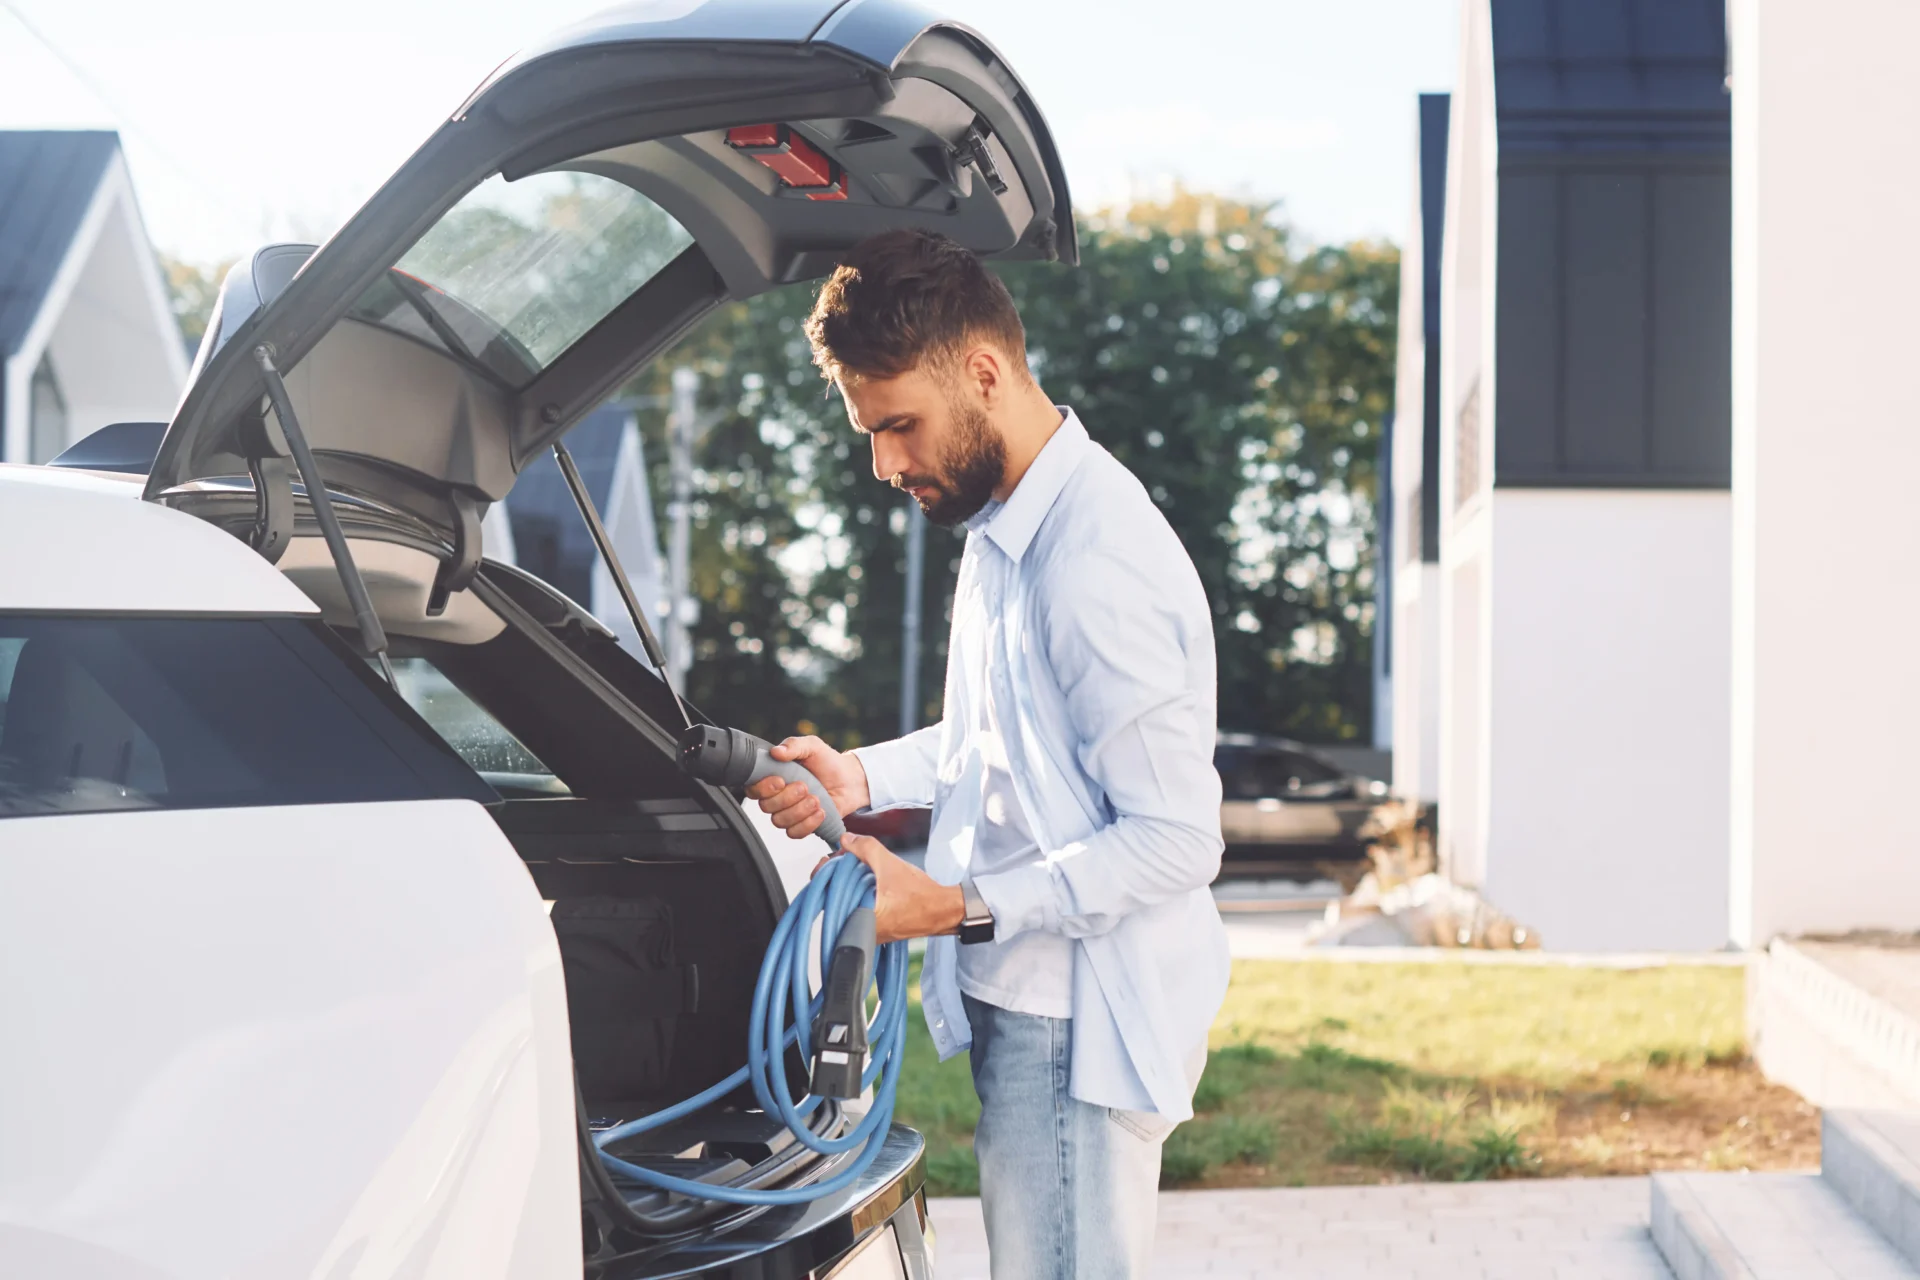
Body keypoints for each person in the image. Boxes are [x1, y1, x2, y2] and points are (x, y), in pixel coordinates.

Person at [748, 227, 1228, 1279]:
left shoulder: (1095, 558)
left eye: (900, 425)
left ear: (983, 371)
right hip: (1033, 1008)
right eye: (872, 431)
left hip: (1078, 1028)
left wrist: (956, 904)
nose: (885, 463)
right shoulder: (1007, 526)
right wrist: (860, 775)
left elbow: (1177, 838)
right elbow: (992, 741)